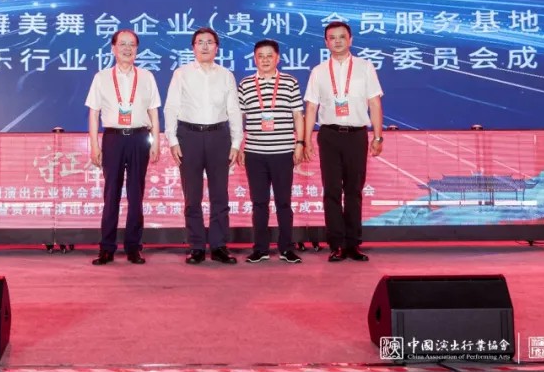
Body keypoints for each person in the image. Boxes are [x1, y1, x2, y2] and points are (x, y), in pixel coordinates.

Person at [303, 21, 384, 262]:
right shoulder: (318, 71)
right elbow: (311, 107)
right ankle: (336, 244)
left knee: (353, 190)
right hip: (329, 135)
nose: (337, 41)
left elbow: (374, 103)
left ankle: (353, 244)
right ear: (326, 42)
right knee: (331, 190)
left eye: (342, 37)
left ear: (351, 40)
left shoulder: (365, 67)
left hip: (356, 135)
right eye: (332, 37)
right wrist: (306, 140)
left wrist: (378, 136)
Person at [164, 27, 243, 265]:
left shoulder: (226, 75)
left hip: (219, 136)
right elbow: (171, 107)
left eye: (210, 42)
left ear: (217, 47)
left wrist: (236, 142)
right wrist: (172, 140)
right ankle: (196, 246)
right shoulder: (181, 74)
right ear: (193, 47)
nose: (205, 46)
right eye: (200, 42)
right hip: (189, 136)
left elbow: (234, 110)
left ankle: (219, 246)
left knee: (220, 195)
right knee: (192, 196)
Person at [85, 29, 161, 265]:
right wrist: (94, 145)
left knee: (136, 195)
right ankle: (106, 248)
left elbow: (153, 111)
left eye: (132, 45)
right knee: (111, 194)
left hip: (139, 137)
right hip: (113, 139)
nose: (127, 48)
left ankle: (133, 247)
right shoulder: (101, 77)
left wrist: (156, 141)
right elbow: (93, 113)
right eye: (122, 44)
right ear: (113, 48)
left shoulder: (146, 76)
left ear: (137, 49)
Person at [237, 39, 305, 264]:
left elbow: (298, 115)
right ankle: (260, 248)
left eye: (269, 56)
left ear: (278, 58)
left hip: (283, 151)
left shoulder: (290, 82)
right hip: (254, 153)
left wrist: (300, 143)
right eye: (260, 56)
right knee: (259, 203)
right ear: (254, 59)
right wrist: (239, 146)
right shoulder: (245, 84)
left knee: (283, 202)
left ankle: (286, 248)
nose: (265, 60)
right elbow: (239, 118)